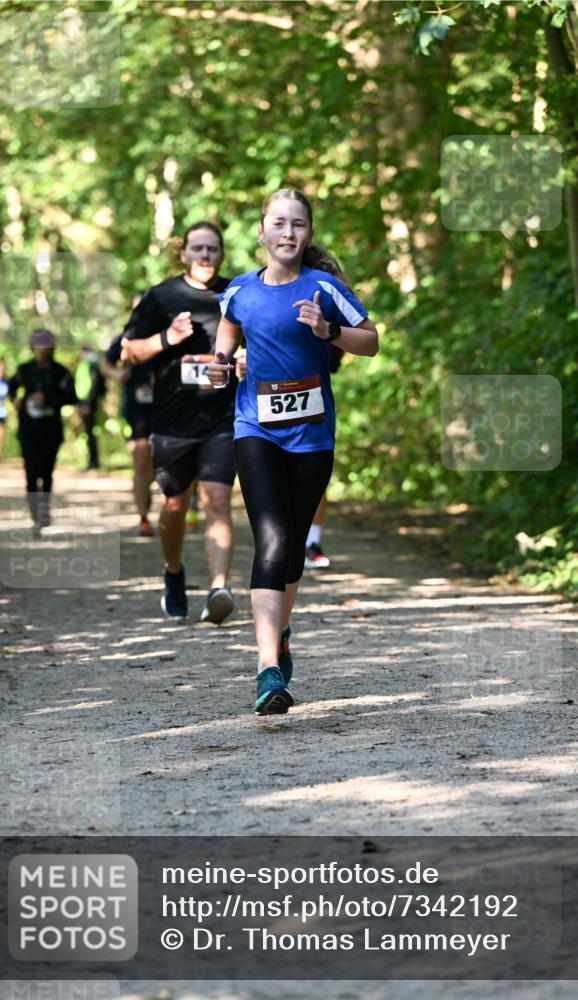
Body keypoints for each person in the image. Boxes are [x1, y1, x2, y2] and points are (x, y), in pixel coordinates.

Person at [208, 188, 378, 714]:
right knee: (273, 541)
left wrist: (329, 331)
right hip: (254, 427)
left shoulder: (324, 288)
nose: (287, 232)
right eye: (278, 223)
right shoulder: (238, 292)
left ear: (308, 234)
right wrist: (220, 367)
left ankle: (281, 633)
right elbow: (227, 340)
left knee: (294, 543)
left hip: (312, 435)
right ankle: (267, 668)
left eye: (298, 224)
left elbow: (370, 340)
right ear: (261, 232)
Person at [121, 221, 236, 624]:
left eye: (213, 249)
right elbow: (128, 351)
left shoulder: (236, 292)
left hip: (223, 417)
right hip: (172, 422)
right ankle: (173, 572)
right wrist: (166, 339)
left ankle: (218, 588)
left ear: (221, 253)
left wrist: (248, 359)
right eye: (198, 249)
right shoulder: (161, 296)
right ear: (183, 253)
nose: (205, 256)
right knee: (173, 504)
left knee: (217, 501)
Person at [8, 328, 77, 529]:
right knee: (31, 471)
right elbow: (11, 388)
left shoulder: (60, 372)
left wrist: (48, 399)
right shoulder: (24, 370)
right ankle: (34, 514)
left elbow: (71, 396)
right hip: (28, 428)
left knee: (46, 472)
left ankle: (44, 511)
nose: (42, 349)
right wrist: (17, 400)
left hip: (51, 428)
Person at [102, 326, 155, 537]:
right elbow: (105, 363)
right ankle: (143, 517)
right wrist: (116, 374)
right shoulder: (126, 336)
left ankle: (151, 492)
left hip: (167, 408)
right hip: (136, 410)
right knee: (141, 460)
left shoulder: (171, 332)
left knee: (162, 463)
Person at [304, 345, 344, 569]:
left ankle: (312, 543)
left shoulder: (323, 308)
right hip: (264, 399)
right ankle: (279, 541)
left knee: (315, 476)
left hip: (312, 396)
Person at [76, 344, 106, 471]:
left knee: (90, 432)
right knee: (88, 431)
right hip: (84, 401)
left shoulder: (91, 363)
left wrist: (88, 402)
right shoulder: (86, 363)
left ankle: (93, 461)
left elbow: (94, 384)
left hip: (88, 402)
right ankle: (92, 460)